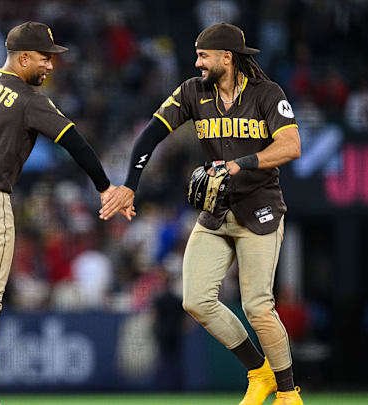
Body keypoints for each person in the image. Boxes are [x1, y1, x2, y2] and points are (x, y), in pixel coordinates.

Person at [0, 21, 132, 405]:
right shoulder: (27, 98)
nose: (50, 65)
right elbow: (75, 142)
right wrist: (105, 187)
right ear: (23, 57)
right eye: (45, 58)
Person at [101, 23, 303, 405]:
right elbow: (151, 134)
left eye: (204, 55)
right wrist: (130, 183)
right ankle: (259, 372)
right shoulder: (194, 91)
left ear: (227, 57)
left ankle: (289, 392)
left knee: (258, 306)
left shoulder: (266, 93)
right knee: (195, 300)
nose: (197, 62)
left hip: (259, 207)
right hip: (216, 211)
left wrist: (242, 163)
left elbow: (291, 145)